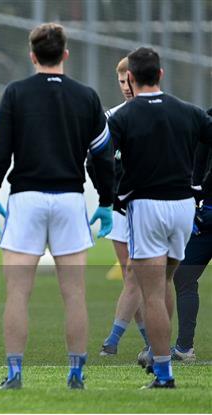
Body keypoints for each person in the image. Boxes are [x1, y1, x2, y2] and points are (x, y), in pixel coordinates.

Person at [0, 23, 115, 390]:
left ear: (32, 55)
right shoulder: (86, 96)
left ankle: (14, 374)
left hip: (25, 199)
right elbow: (103, 157)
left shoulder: (15, 93)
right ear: (65, 54)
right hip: (71, 199)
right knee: (74, 294)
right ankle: (75, 374)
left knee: (17, 293)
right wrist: (106, 200)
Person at [108, 48, 212, 388]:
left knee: (151, 291)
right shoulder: (191, 112)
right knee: (166, 282)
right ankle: (162, 355)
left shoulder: (121, 117)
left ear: (133, 78)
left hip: (147, 207)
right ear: (162, 75)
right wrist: (198, 185)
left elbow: (103, 159)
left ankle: (163, 372)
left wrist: (116, 195)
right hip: (184, 207)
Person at [87, 57, 149, 356]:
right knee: (129, 275)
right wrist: (108, 194)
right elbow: (94, 161)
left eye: (129, 80)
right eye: (121, 81)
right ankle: (150, 339)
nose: (126, 87)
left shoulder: (154, 114)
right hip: (120, 207)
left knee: (146, 275)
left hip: (150, 205)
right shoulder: (111, 117)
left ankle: (114, 339)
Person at [171, 107, 212, 361]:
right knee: (184, 275)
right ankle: (184, 348)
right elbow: (197, 165)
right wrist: (194, 198)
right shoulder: (205, 118)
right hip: (206, 215)